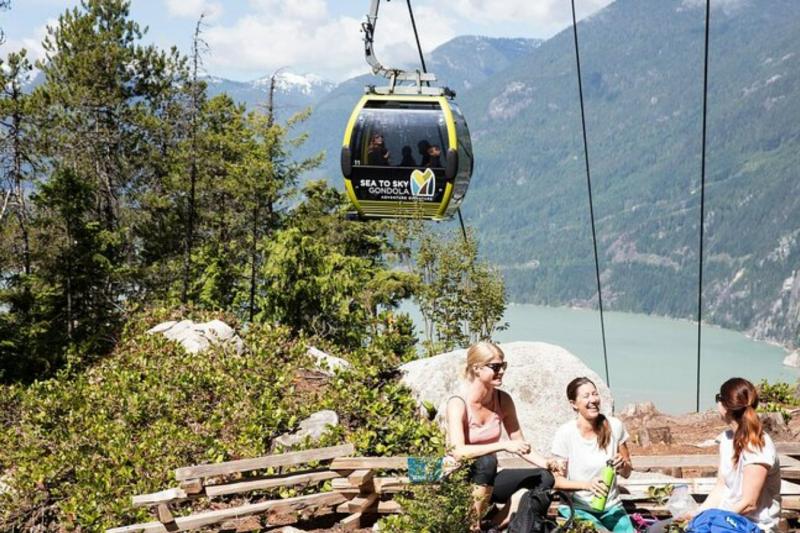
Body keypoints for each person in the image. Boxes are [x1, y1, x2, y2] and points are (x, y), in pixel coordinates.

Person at [446, 342, 558, 532]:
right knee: (487, 461)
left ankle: (496, 525)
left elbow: (520, 444)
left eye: (503, 366)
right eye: (495, 367)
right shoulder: (458, 403)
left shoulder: (503, 400)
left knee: (544, 478)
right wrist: (502, 445)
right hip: (458, 479)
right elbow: (457, 451)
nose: (501, 372)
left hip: (487, 481)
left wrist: (547, 463)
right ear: (477, 369)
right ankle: (472, 525)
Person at [649, 378, 781, 532]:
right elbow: (721, 487)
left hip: (752, 526)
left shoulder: (758, 445)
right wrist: (698, 514)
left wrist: (711, 520)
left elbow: (749, 503)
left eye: (718, 398)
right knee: (656, 529)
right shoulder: (726, 440)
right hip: (724, 520)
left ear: (725, 406)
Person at [550, 377, 635, 532]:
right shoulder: (565, 433)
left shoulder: (615, 426)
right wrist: (587, 485)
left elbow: (628, 471)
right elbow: (556, 481)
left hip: (612, 509)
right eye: (586, 396)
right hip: (578, 509)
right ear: (573, 404)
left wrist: (622, 465)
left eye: (595, 394)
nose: (593, 400)